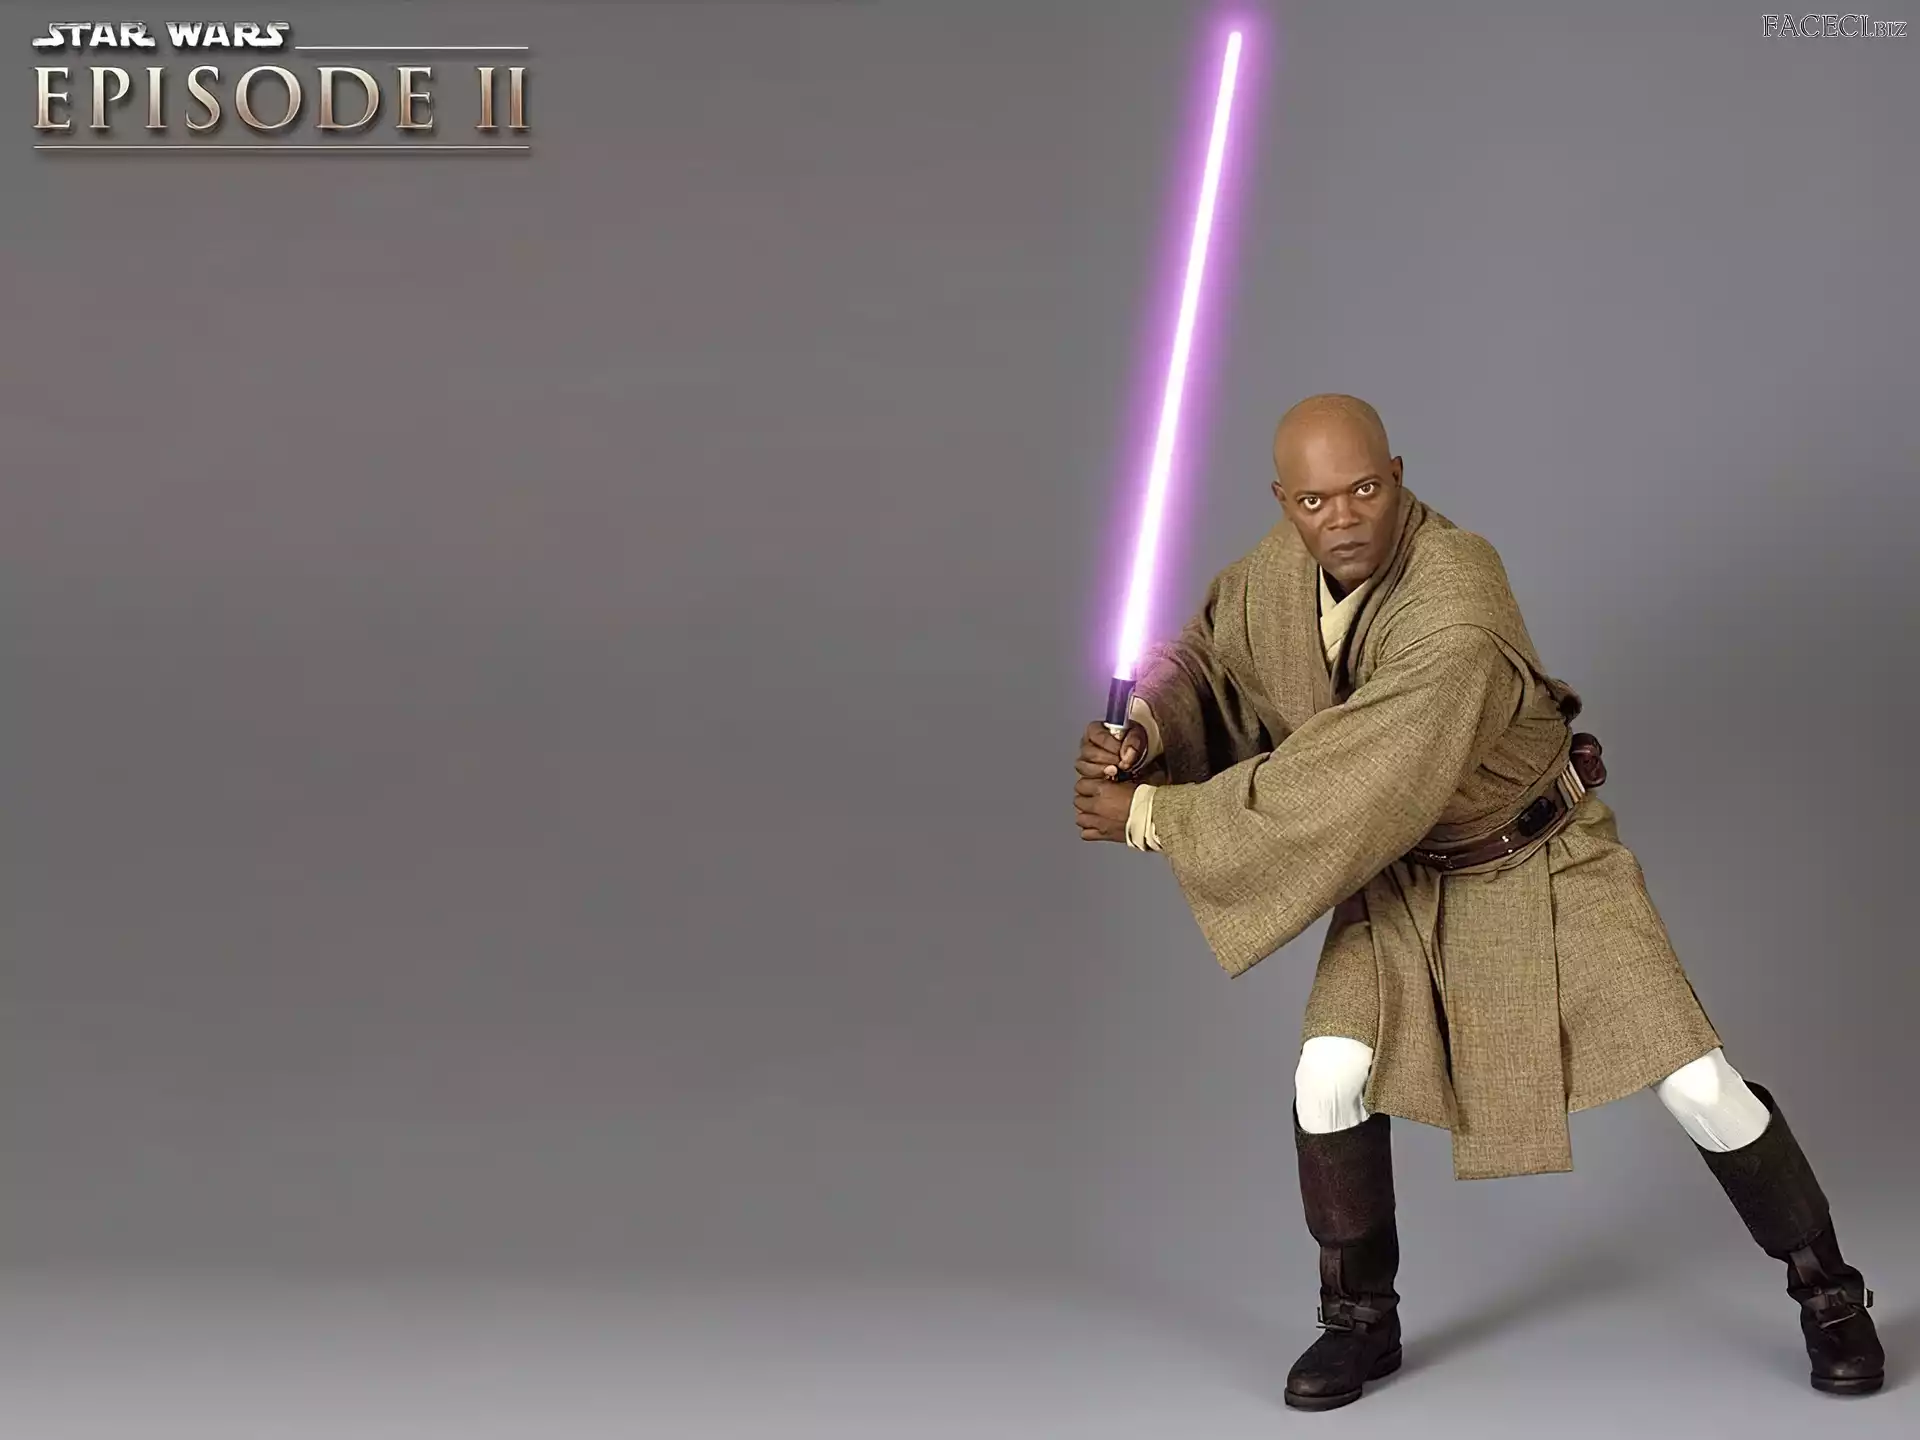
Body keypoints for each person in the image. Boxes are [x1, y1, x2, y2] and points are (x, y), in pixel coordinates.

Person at [1072, 394, 1884, 1410]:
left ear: (1397, 476)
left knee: (1697, 1082)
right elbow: (1207, 661)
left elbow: (1354, 777)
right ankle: (1359, 1319)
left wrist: (1155, 815)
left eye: (1363, 490)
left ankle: (1830, 1294)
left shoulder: (1458, 597)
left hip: (1545, 857)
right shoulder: (1277, 574)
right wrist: (1148, 728)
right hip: (1410, 874)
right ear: (1284, 503)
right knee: (1327, 1076)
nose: (1342, 518)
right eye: (1315, 501)